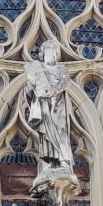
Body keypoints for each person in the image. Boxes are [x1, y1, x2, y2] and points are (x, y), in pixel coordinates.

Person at [25, 38, 75, 170]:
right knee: (46, 133)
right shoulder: (38, 69)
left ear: (56, 54)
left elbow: (65, 83)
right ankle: (52, 161)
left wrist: (53, 90)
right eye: (47, 50)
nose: (50, 53)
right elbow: (31, 92)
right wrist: (30, 86)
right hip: (44, 104)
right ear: (43, 53)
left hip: (58, 104)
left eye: (53, 50)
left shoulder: (61, 68)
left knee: (61, 130)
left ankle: (64, 160)